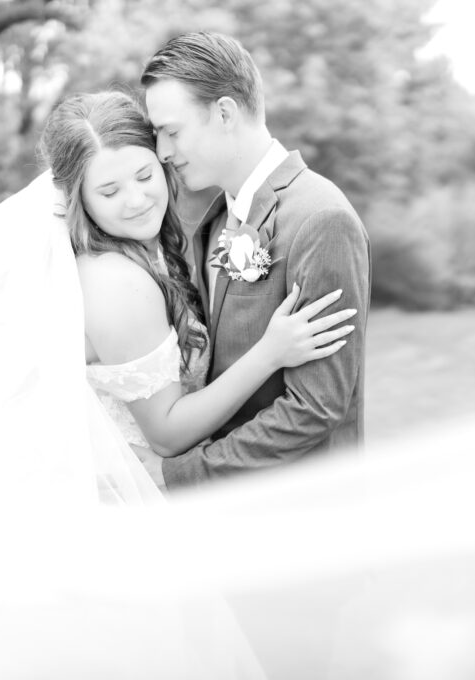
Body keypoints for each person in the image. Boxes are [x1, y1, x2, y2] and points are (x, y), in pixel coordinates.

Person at [38, 91, 357, 494]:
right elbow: (167, 434)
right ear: (78, 198)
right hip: (139, 493)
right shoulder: (117, 283)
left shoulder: (151, 249)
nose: (136, 201)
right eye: (109, 191)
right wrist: (270, 352)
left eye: (143, 176)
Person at [139, 32, 372, 489]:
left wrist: (185, 475)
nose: (164, 152)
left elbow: (315, 408)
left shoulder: (320, 217)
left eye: (172, 131)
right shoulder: (216, 218)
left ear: (224, 113)